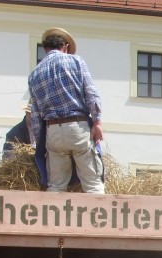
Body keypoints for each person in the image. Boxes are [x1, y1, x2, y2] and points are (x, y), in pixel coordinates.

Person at [28, 27, 105, 193]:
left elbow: (35, 114)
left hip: (53, 131)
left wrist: (39, 141)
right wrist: (97, 122)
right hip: (77, 127)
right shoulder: (76, 61)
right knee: (93, 185)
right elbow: (91, 94)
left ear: (45, 48)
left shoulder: (34, 74)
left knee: (56, 186)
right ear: (66, 47)